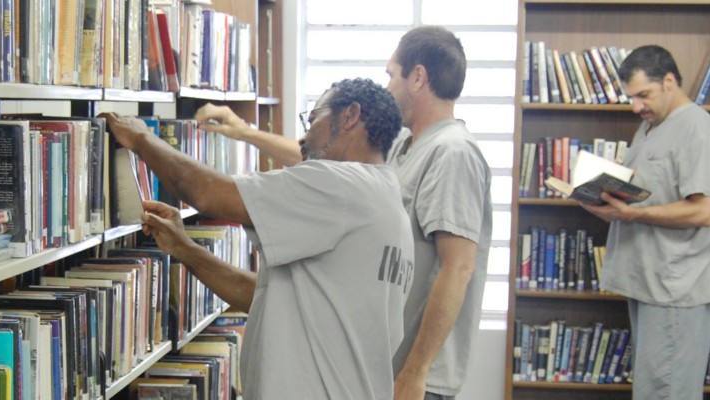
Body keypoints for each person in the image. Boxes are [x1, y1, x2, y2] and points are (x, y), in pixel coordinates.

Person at [194, 26, 493, 400]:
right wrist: (243, 132)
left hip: (418, 377)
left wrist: (416, 372)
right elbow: (322, 164)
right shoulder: (402, 143)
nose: (387, 87)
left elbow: (459, 267)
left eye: (391, 74)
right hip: (382, 365)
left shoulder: (453, 153)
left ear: (418, 77)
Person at [104, 78, 415, 399]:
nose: (305, 136)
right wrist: (184, 249)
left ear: (350, 116)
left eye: (313, 119)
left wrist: (141, 137)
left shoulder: (342, 185)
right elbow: (263, 298)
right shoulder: (388, 205)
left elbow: (205, 192)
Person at [581, 45, 710, 400]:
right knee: (653, 391)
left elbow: (704, 211)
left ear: (670, 81)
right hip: (651, 283)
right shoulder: (650, 128)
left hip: (678, 289)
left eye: (644, 95)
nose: (636, 106)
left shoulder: (698, 129)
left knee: (667, 392)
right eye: (631, 97)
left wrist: (633, 213)